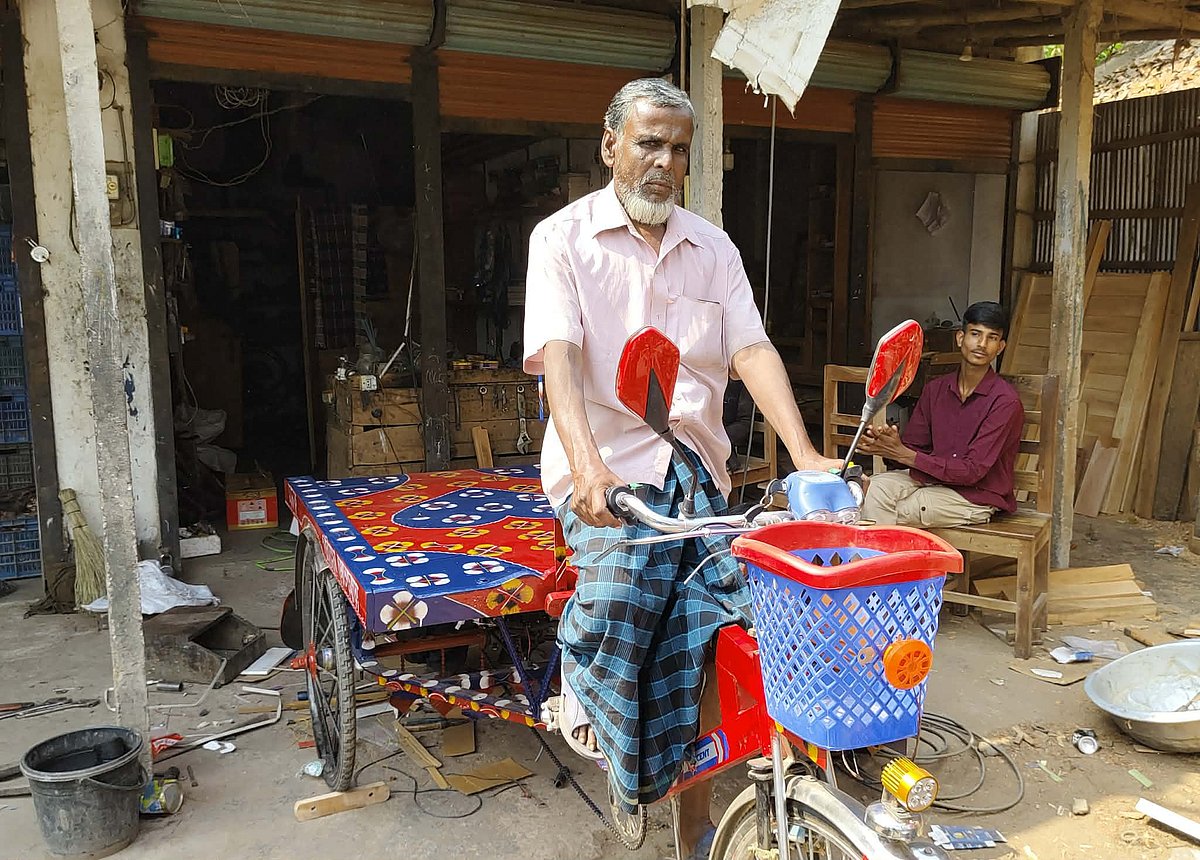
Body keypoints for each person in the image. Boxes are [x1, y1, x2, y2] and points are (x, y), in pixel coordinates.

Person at [522, 77, 838, 858]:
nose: (663, 163)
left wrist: (804, 457)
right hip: (611, 480)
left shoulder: (713, 247)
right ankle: (594, 706)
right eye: (648, 144)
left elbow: (751, 350)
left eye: (678, 150)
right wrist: (590, 468)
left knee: (739, 623)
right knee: (625, 603)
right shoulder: (560, 239)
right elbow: (557, 361)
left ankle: (696, 826)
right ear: (611, 148)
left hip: (701, 474)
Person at [858, 301, 1024, 527]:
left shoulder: (1005, 402)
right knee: (869, 489)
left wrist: (904, 455)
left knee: (885, 509)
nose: (982, 344)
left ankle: (880, 561)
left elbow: (972, 471)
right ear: (960, 338)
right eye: (975, 334)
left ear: (1001, 347)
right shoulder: (936, 389)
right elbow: (914, 448)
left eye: (992, 338)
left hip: (976, 495)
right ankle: (882, 561)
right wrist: (888, 446)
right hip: (931, 480)